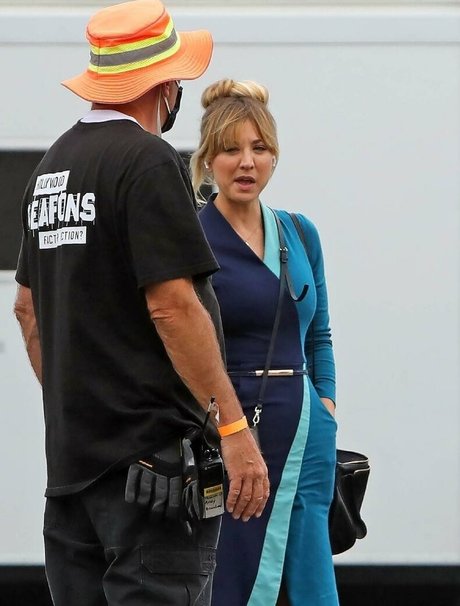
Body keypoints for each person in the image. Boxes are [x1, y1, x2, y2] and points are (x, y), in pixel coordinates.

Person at [13, 3, 269, 604]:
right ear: (164, 85)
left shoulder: (52, 166)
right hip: (152, 482)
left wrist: (84, 409)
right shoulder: (148, 160)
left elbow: (28, 309)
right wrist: (232, 428)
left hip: (71, 476)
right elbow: (173, 306)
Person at [190, 78, 339, 606]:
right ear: (208, 159)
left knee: (309, 577)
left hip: (306, 427)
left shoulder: (300, 231)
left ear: (274, 156)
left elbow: (318, 333)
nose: (246, 163)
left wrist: (326, 403)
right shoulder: (192, 238)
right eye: (231, 150)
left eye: (259, 148)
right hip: (233, 431)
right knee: (233, 573)